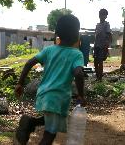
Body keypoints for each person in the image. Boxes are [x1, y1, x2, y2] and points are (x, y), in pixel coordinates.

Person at [14, 14, 86, 145]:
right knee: (49, 135)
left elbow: (29, 63)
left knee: (51, 118)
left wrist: (20, 83)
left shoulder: (49, 50)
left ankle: (30, 122)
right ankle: (30, 122)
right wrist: (81, 94)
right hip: (58, 97)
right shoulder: (77, 54)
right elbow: (79, 74)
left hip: (44, 94)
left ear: (57, 34)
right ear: (77, 36)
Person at [93, 8, 112, 81]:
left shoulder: (106, 24)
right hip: (96, 45)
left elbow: (109, 35)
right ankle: (97, 76)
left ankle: (100, 77)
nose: (102, 16)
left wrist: (107, 44)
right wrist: (94, 45)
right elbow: (95, 35)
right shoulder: (97, 25)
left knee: (100, 61)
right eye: (101, 14)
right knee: (95, 61)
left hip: (102, 45)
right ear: (99, 15)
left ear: (106, 16)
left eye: (104, 15)